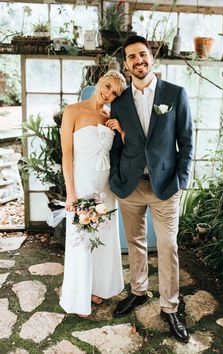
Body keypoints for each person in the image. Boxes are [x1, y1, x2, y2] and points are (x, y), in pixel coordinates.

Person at [109, 35, 193, 343]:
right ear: (126, 63)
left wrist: (180, 181)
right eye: (131, 57)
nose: (138, 60)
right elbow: (116, 145)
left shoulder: (175, 94)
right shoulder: (117, 103)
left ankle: (170, 307)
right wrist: (116, 178)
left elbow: (186, 141)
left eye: (142, 54)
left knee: (168, 247)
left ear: (151, 57)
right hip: (130, 185)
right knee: (135, 243)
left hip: (165, 186)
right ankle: (139, 291)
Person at [59, 70, 126, 317]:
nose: (107, 93)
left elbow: (125, 150)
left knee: (103, 241)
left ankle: (97, 286)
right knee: (82, 241)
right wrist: (71, 194)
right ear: (100, 81)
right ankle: (79, 292)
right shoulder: (73, 111)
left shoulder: (111, 116)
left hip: (106, 190)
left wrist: (120, 131)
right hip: (82, 186)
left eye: (114, 93)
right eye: (107, 86)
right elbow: (67, 156)